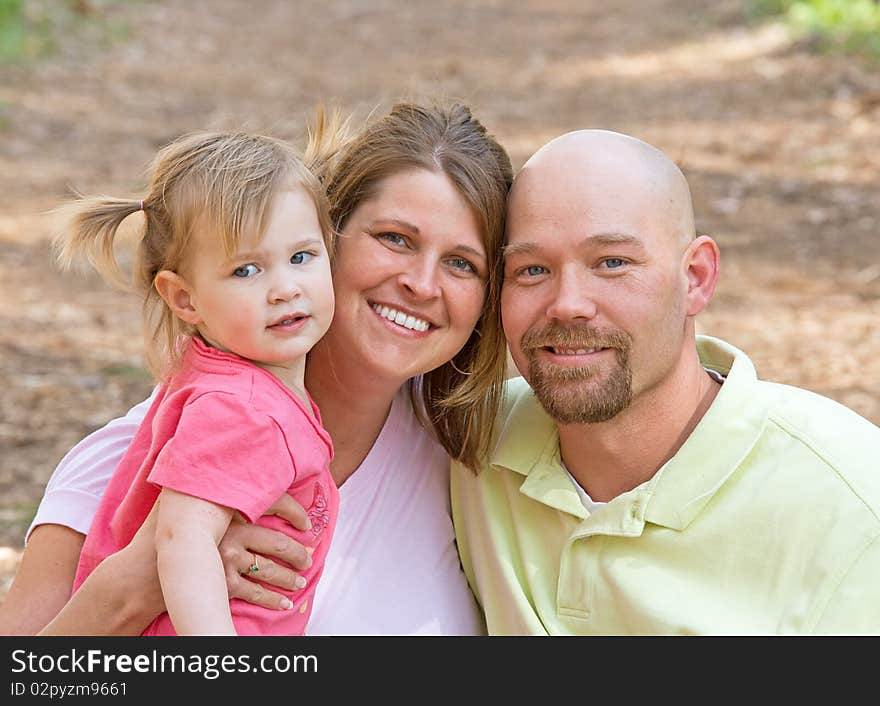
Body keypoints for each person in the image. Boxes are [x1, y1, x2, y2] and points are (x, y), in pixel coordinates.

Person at [0, 102, 513, 636]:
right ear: (326, 231)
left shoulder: (471, 456)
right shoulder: (132, 458)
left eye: (461, 263)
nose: (423, 284)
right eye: (394, 239)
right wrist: (133, 586)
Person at [451, 129, 880, 635]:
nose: (568, 302)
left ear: (695, 277)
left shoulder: (850, 504)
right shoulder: (464, 443)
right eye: (531, 269)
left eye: (612, 263)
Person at [53, 130, 338, 635]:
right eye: (246, 269)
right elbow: (183, 538)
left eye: (301, 257)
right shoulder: (242, 407)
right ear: (184, 299)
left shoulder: (222, 374)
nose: (285, 289)